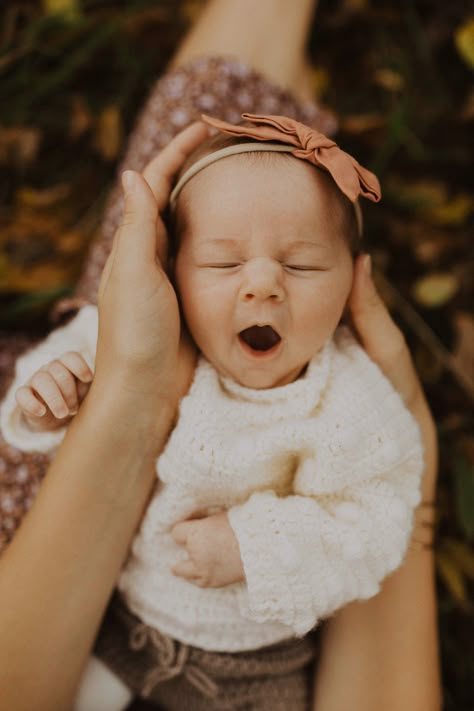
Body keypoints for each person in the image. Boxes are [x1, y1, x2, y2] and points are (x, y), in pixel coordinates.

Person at [0, 1, 441, 710]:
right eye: (221, 263)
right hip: (111, 622)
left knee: (211, 132)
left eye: (301, 267)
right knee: (211, 135)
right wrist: (52, 397)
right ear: (174, 274)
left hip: (245, 676)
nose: (262, 282)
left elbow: (375, 522)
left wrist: (256, 548)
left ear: (352, 283)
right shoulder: (167, 332)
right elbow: (43, 392)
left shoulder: (347, 402)